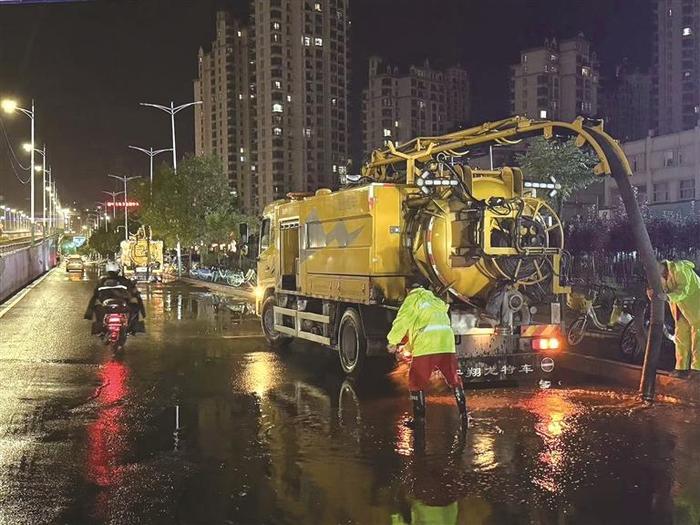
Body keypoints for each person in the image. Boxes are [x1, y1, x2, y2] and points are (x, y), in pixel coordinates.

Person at [387, 276, 467, 427]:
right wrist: (407, 348)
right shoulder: (435, 301)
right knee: (454, 379)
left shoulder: (412, 300)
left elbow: (402, 321)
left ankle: (419, 420)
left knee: (416, 381)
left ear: (408, 290)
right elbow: (422, 327)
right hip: (446, 345)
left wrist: (392, 341)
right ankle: (464, 415)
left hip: (427, 346)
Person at [658, 260, 700, 378]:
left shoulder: (680, 269)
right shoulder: (662, 275)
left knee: (698, 339)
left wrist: (667, 297)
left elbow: (683, 290)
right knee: (681, 338)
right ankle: (681, 369)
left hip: (697, 308)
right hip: (681, 310)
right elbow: (661, 291)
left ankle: (697, 370)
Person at [84, 261, 146, 333]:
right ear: (118, 270)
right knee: (135, 306)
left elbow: (95, 296)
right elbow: (134, 293)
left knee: (96, 307)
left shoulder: (102, 281)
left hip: (110, 307)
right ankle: (133, 328)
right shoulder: (124, 280)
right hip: (120, 306)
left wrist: (89, 313)